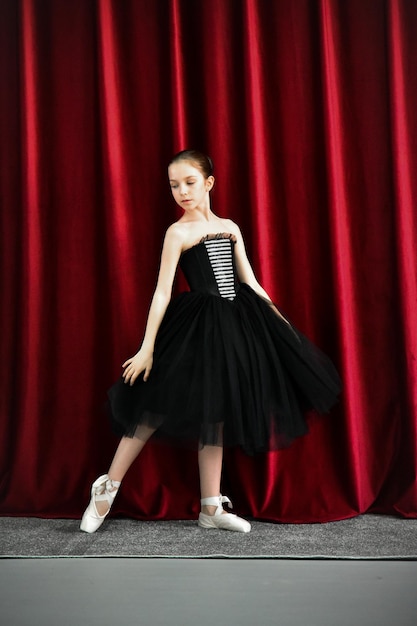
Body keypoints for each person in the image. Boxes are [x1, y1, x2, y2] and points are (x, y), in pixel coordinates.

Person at [80, 149, 341, 534]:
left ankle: (210, 508)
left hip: (237, 326)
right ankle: (106, 489)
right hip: (196, 327)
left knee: (215, 413)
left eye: (189, 182)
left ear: (209, 183)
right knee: (153, 405)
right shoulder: (177, 232)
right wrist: (147, 346)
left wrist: (280, 322)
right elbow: (162, 293)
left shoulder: (231, 227)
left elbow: (249, 281)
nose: (181, 191)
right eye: (174, 185)